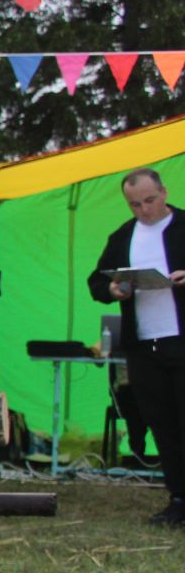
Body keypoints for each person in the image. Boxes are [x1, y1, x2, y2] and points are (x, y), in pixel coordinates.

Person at [88, 168, 185, 525]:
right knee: (161, 422)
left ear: (164, 192)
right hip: (144, 346)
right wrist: (112, 289)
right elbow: (96, 281)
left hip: (181, 340)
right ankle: (178, 498)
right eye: (134, 204)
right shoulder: (122, 236)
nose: (144, 210)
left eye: (149, 200)